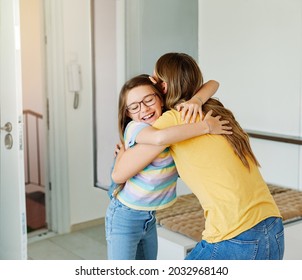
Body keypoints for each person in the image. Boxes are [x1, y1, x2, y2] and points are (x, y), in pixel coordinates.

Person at [112, 52, 284, 260]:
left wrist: (122, 155)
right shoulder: (215, 109)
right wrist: (197, 100)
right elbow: (213, 83)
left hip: (235, 235)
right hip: (273, 226)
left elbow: (119, 174)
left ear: (163, 87)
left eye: (154, 78)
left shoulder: (172, 120)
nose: (151, 80)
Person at [106, 74, 232, 260]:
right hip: (125, 217)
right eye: (134, 107)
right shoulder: (136, 128)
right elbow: (160, 138)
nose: (144, 109)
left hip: (149, 218)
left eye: (149, 99)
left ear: (160, 97)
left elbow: (214, 83)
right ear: (128, 113)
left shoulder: (171, 122)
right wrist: (206, 126)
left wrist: (195, 101)